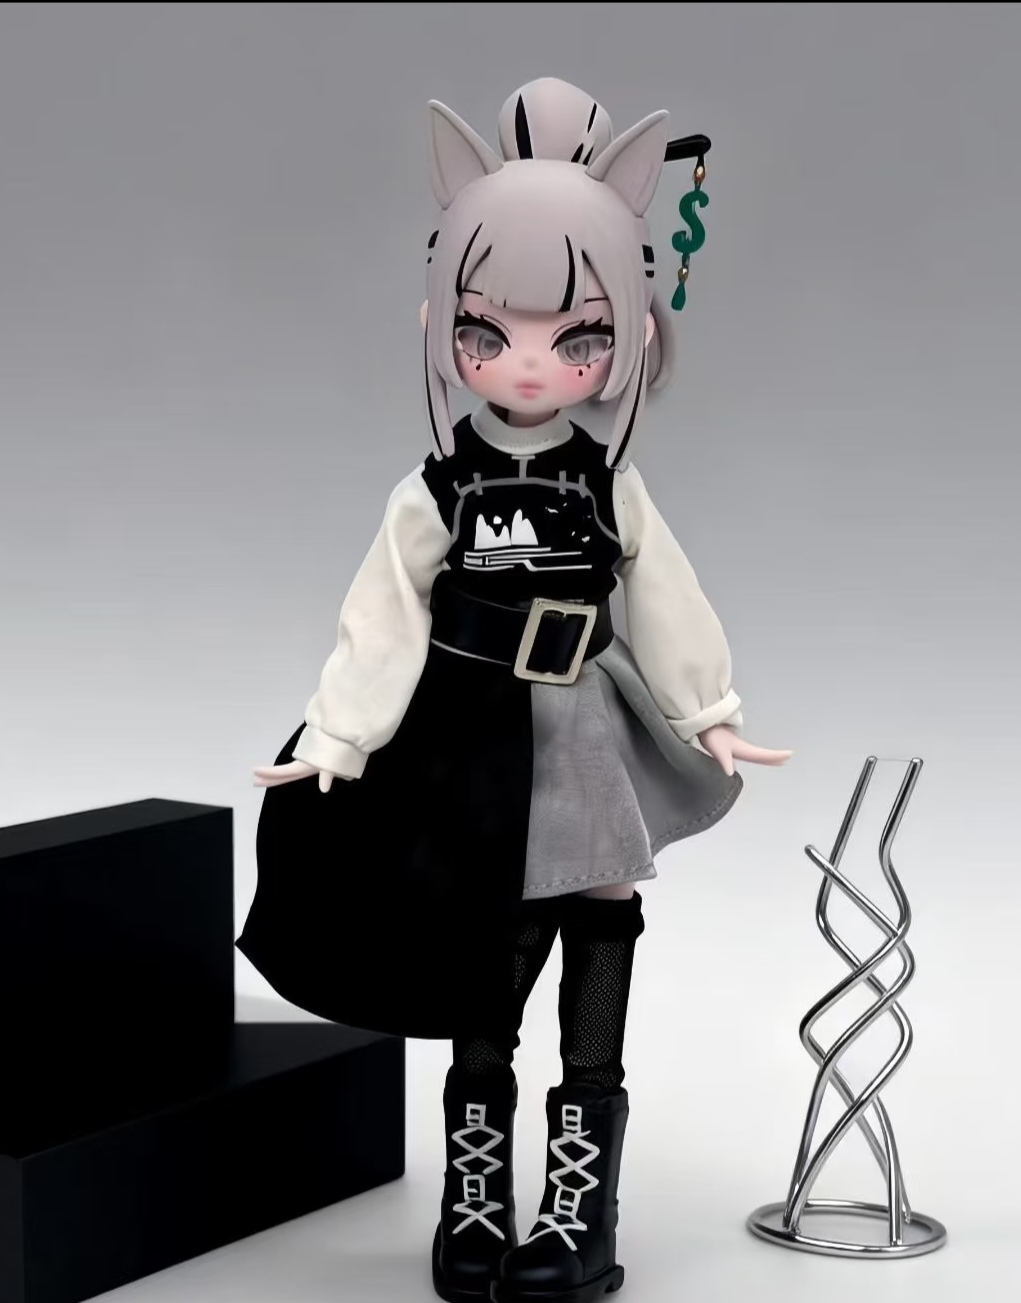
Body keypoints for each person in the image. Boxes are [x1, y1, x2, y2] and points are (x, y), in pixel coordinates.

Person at [236, 77, 791, 1303]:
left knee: (597, 900)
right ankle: (477, 1180)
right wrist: (340, 731)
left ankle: (582, 1195)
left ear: (624, 333)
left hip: (581, 722)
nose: (530, 363)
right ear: (445, 322)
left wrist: (707, 708)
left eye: (575, 336)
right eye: (490, 332)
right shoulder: (435, 488)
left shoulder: (607, 484)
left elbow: (663, 595)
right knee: (472, 923)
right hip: (463, 728)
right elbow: (382, 612)